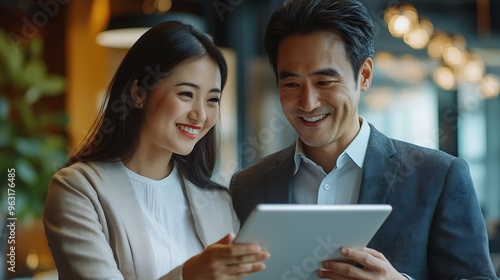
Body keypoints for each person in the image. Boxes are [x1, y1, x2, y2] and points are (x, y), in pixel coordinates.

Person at [229, 0, 497, 279]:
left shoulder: (438, 176)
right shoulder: (247, 186)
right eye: (291, 84)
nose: (307, 103)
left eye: (325, 82)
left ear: (364, 75)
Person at [43, 21, 269, 280]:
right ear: (138, 93)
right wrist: (188, 275)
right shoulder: (78, 189)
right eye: (186, 94)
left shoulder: (217, 200)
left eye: (212, 100)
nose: (200, 114)